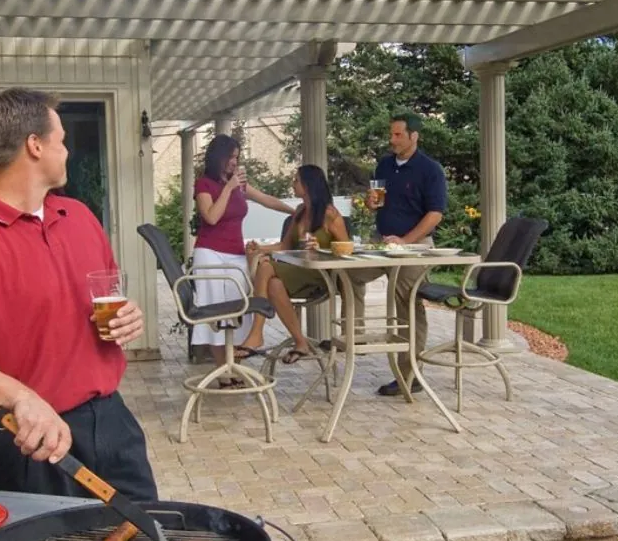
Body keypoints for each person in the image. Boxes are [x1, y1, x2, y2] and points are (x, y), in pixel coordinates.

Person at [0, 88, 157, 500]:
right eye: (62, 140)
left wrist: (128, 314)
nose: (67, 151)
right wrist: (20, 397)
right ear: (34, 145)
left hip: (112, 424)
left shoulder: (78, 217)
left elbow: (102, 297)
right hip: (28, 441)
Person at [348, 112, 448, 396]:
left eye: (397, 135)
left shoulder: (430, 170)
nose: (391, 139)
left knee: (406, 299)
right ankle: (357, 339)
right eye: (391, 134)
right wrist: (371, 203)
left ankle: (410, 374)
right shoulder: (384, 165)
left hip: (415, 247)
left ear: (413, 137)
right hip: (384, 242)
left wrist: (404, 241)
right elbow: (377, 204)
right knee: (350, 274)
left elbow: (435, 215)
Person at [190, 134, 296, 374]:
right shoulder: (204, 184)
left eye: (237, 158)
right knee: (217, 312)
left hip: (236, 254)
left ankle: (234, 367)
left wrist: (296, 211)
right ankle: (224, 373)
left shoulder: (240, 185)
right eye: (231, 157)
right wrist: (228, 188)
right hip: (209, 254)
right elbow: (211, 217)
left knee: (239, 312)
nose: (234, 163)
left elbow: (267, 200)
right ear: (219, 157)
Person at [250, 164, 349, 364]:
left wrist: (321, 247)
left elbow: (346, 248)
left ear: (308, 184)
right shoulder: (300, 211)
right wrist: (260, 248)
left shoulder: (331, 214)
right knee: (273, 284)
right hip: (299, 270)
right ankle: (300, 342)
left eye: (296, 180)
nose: (293, 184)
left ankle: (257, 332)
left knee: (266, 266)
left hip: (321, 275)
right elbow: (285, 246)